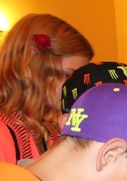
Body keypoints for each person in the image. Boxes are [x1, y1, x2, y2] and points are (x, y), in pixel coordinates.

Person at [0, 13, 92, 164]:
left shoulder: (51, 131)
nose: (76, 88)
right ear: (30, 68)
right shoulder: (4, 133)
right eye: (68, 75)